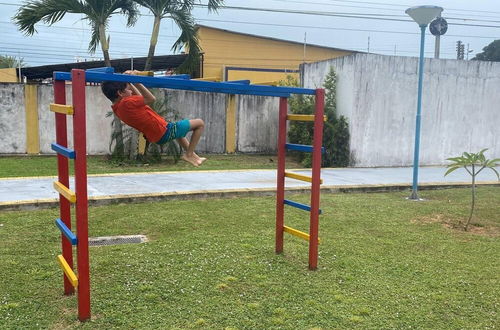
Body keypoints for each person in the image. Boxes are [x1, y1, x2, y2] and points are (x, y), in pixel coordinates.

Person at [101, 70, 206, 167]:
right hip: (164, 131)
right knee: (199, 123)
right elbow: (151, 98)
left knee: (179, 134)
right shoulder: (127, 103)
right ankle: (189, 154)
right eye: (128, 89)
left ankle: (195, 157)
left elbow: (140, 97)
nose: (131, 92)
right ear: (120, 93)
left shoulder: (117, 108)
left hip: (159, 134)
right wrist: (137, 81)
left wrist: (130, 82)